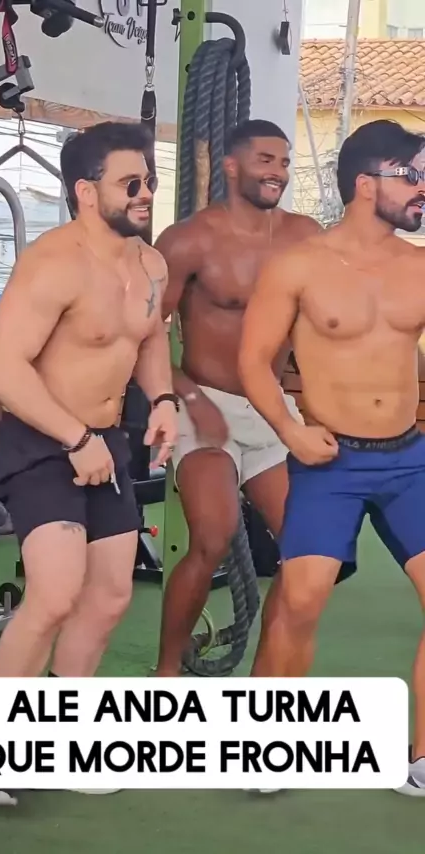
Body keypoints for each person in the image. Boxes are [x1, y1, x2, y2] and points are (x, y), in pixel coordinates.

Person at [0, 121, 178, 806]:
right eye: (131, 182)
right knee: (56, 595)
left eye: (149, 179)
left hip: (105, 442)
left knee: (111, 595)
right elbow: (1, 366)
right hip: (42, 441)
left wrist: (164, 398)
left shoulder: (150, 265)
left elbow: (148, 337)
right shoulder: (54, 263)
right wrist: (74, 437)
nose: (146, 192)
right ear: (87, 192)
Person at [238, 118, 425, 797]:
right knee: (300, 599)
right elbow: (253, 361)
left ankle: (420, 758)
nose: (423, 190)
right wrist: (289, 432)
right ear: (366, 183)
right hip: (330, 460)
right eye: (414, 176)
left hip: (410, 458)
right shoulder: (300, 266)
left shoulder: (420, 266)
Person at [153, 119, 324, 678]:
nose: (278, 172)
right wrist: (186, 397)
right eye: (265, 160)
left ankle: (263, 684)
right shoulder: (189, 239)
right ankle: (167, 673)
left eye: (284, 162)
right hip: (204, 404)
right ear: (231, 165)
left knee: (308, 550)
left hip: (271, 410)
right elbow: (144, 338)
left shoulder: (305, 236)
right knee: (213, 536)